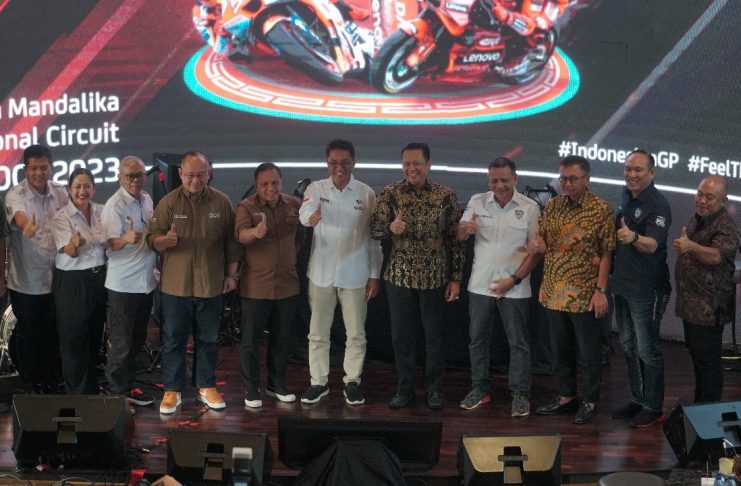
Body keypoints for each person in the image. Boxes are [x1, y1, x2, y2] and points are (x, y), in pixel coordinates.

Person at [370, 142, 464, 410]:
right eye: (406, 164)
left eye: (417, 163)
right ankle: (405, 389)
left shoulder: (446, 196)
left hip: (435, 277)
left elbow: (455, 239)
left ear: (428, 164)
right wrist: (390, 227)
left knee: (434, 337)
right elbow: (373, 230)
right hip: (399, 275)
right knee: (401, 337)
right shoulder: (390, 193)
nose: (411, 168)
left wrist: (456, 277)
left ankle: (434, 390)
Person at [147, 151, 240, 414]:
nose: (195, 180)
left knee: (208, 339)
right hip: (175, 285)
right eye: (190, 175)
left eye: (201, 175)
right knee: (174, 340)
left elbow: (231, 243)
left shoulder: (222, 202)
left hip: (210, 283)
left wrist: (231, 276)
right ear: (180, 174)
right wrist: (164, 241)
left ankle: (206, 386)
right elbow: (151, 238)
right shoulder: (168, 203)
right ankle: (172, 390)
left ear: (209, 173)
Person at [530, 155, 616, 424]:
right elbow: (545, 243)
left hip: (585, 293)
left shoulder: (601, 209)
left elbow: (607, 253)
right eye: (563, 179)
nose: (566, 184)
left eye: (572, 179)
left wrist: (601, 290)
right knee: (561, 350)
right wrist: (538, 248)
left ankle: (589, 401)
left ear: (586, 179)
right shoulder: (553, 205)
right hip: (553, 289)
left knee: (589, 353)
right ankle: (566, 396)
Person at [299, 140, 383, 406]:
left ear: (354, 162)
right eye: (333, 162)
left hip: (355, 274)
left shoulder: (366, 193)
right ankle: (318, 382)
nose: (339, 167)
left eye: (345, 162)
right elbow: (305, 212)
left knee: (356, 334)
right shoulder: (316, 189)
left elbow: (374, 238)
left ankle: (352, 382)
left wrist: (374, 274)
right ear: (327, 163)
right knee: (317, 333)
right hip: (321, 273)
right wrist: (310, 218)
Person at [456, 157, 541, 416]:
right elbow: (459, 233)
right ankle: (479, 389)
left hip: (514, 287)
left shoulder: (529, 207)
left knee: (518, 343)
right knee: (477, 341)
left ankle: (520, 395)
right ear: (488, 179)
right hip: (480, 285)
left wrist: (513, 280)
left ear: (515, 179)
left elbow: (537, 252)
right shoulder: (476, 201)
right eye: (494, 180)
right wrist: (465, 229)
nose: (499, 185)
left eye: (505, 180)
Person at [610, 150, 672, 428]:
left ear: (652, 172)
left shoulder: (658, 204)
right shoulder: (627, 195)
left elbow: (652, 245)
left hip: (647, 288)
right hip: (623, 284)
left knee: (648, 350)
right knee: (628, 345)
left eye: (638, 170)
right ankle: (638, 398)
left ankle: (653, 407)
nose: (631, 174)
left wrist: (632, 236)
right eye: (628, 169)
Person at [235, 163, 304, 408]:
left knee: (282, 339)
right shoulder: (246, 207)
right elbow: (240, 235)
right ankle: (251, 388)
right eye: (264, 184)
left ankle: (276, 385)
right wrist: (254, 233)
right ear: (256, 185)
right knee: (250, 341)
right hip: (256, 286)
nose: (270, 188)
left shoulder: (294, 205)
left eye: (275, 183)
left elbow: (299, 239)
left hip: (287, 285)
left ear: (281, 182)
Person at [4, 144, 68, 393]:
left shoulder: (61, 193)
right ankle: (30, 386)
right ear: (26, 169)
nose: (39, 173)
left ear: (51, 167)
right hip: (27, 282)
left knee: (53, 333)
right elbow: (20, 217)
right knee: (30, 335)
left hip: (57, 279)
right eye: (34, 168)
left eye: (43, 168)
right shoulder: (16, 194)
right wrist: (26, 226)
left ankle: (52, 383)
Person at [673, 176, 739, 403]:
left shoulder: (726, 226)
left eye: (709, 197)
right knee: (699, 359)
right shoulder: (700, 218)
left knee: (708, 364)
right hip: (692, 306)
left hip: (709, 309)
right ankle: (699, 407)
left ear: (723, 201)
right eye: (700, 194)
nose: (701, 200)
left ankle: (709, 411)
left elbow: (716, 257)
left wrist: (690, 246)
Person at [101, 156, 158, 406]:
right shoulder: (114, 205)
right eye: (130, 175)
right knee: (121, 343)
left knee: (137, 340)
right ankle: (116, 396)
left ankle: (129, 387)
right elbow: (109, 243)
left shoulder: (147, 199)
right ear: (120, 178)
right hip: (123, 285)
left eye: (140, 175)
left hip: (146, 282)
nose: (136, 180)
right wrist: (125, 238)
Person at [51, 168, 107, 395]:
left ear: (94, 188)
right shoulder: (61, 217)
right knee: (74, 340)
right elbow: (71, 252)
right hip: (73, 282)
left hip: (99, 278)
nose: (82, 191)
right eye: (77, 187)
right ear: (69, 190)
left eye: (87, 186)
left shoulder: (102, 211)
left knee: (94, 336)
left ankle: (91, 391)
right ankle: (77, 396)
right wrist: (74, 243)